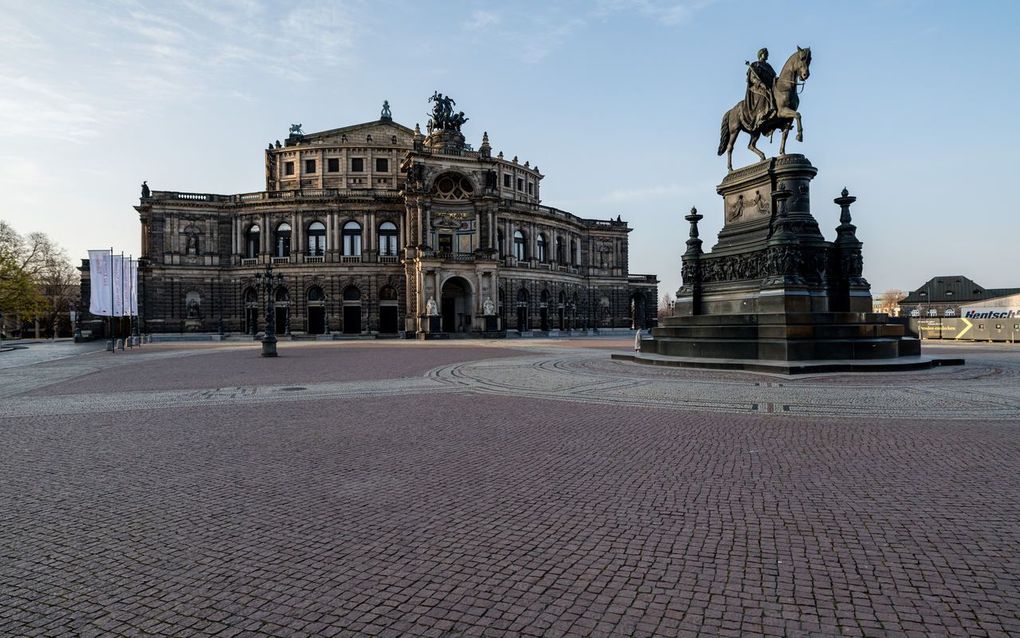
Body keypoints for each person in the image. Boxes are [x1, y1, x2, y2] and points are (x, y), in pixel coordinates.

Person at [744, 47, 777, 130]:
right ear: (760, 54)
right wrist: (760, 83)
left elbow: (773, 77)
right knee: (766, 93)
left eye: (767, 54)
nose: (766, 55)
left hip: (769, 86)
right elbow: (752, 78)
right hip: (757, 87)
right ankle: (761, 115)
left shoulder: (769, 66)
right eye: (765, 54)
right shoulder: (755, 64)